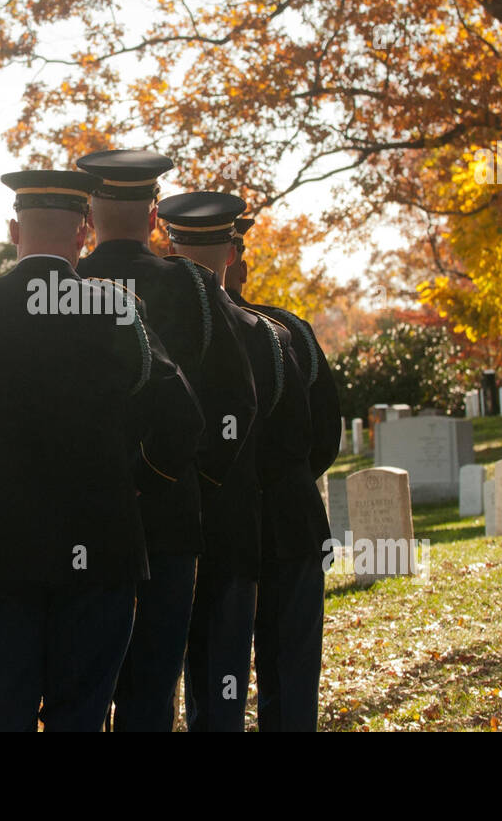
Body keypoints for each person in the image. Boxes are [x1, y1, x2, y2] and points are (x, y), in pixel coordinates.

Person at [0, 170, 204, 731]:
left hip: (4, 551)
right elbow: (183, 421)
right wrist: (136, 482)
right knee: (81, 717)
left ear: (11, 231)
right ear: (85, 232)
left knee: (4, 717)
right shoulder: (116, 307)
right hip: (100, 548)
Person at [74, 148, 255, 731]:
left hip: (78, 521)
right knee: (153, 688)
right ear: (155, 217)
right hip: (171, 519)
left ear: (90, 215)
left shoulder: (63, 286)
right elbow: (234, 403)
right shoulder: (194, 286)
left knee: (81, 690)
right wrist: (189, 482)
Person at [157, 192, 286, 732]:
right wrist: (208, 478)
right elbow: (291, 437)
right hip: (231, 527)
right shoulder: (264, 331)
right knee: (220, 689)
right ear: (232, 252)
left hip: (154, 526)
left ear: (167, 242)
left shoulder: (132, 311)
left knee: (147, 684)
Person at [226, 217, 339, 731]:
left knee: (214, 680)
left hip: (221, 530)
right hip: (289, 520)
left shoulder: (165, 329)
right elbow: (324, 436)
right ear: (242, 266)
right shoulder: (287, 330)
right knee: (290, 678)